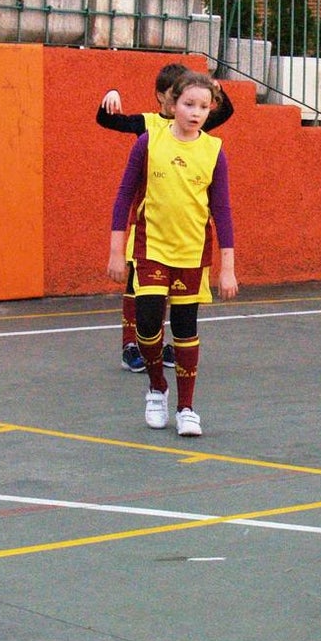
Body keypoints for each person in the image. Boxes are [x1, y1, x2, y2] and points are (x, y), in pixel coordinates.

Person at [107, 71, 238, 437]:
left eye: (203, 106)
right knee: (147, 326)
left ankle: (186, 407)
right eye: (189, 104)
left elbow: (222, 212)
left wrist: (227, 268)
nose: (196, 112)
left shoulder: (213, 151)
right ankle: (156, 387)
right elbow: (123, 198)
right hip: (150, 247)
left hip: (192, 253)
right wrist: (117, 252)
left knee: (184, 328)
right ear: (172, 104)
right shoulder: (149, 143)